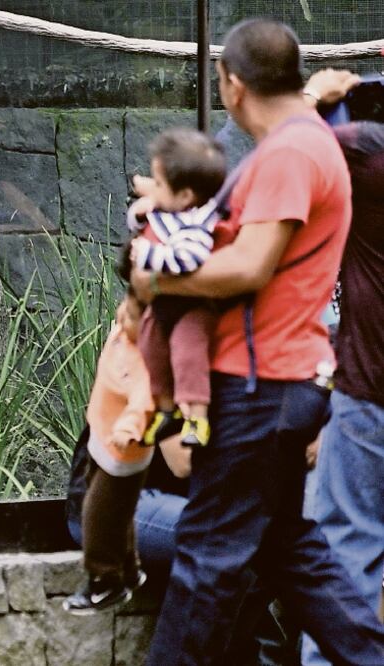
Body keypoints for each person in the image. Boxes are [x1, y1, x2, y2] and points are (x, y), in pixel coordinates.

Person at [129, 19, 384, 665]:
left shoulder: (293, 152)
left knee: (206, 561)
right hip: (277, 381)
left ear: (231, 85)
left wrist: (154, 278)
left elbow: (249, 266)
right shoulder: (300, 143)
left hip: (257, 383)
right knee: (293, 553)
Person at [297, 67, 384, 666]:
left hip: (369, 388)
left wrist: (313, 98)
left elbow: (286, 154)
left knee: (344, 550)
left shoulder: (366, 154)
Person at [127, 128, 227, 447]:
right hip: (162, 308)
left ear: (184, 196)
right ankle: (165, 410)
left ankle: (196, 416)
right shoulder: (169, 209)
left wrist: (148, 254)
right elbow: (142, 217)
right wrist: (145, 205)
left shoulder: (197, 225)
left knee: (188, 355)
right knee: (151, 349)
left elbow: (188, 259)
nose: (154, 189)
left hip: (191, 310)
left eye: (159, 183)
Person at [61, 292, 154, 614]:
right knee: (119, 513)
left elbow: (144, 402)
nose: (123, 317)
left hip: (122, 451)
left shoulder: (145, 361)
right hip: (100, 438)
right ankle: (129, 569)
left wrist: (129, 430)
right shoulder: (121, 337)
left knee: (99, 513)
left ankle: (104, 580)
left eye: (132, 316)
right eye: (125, 308)